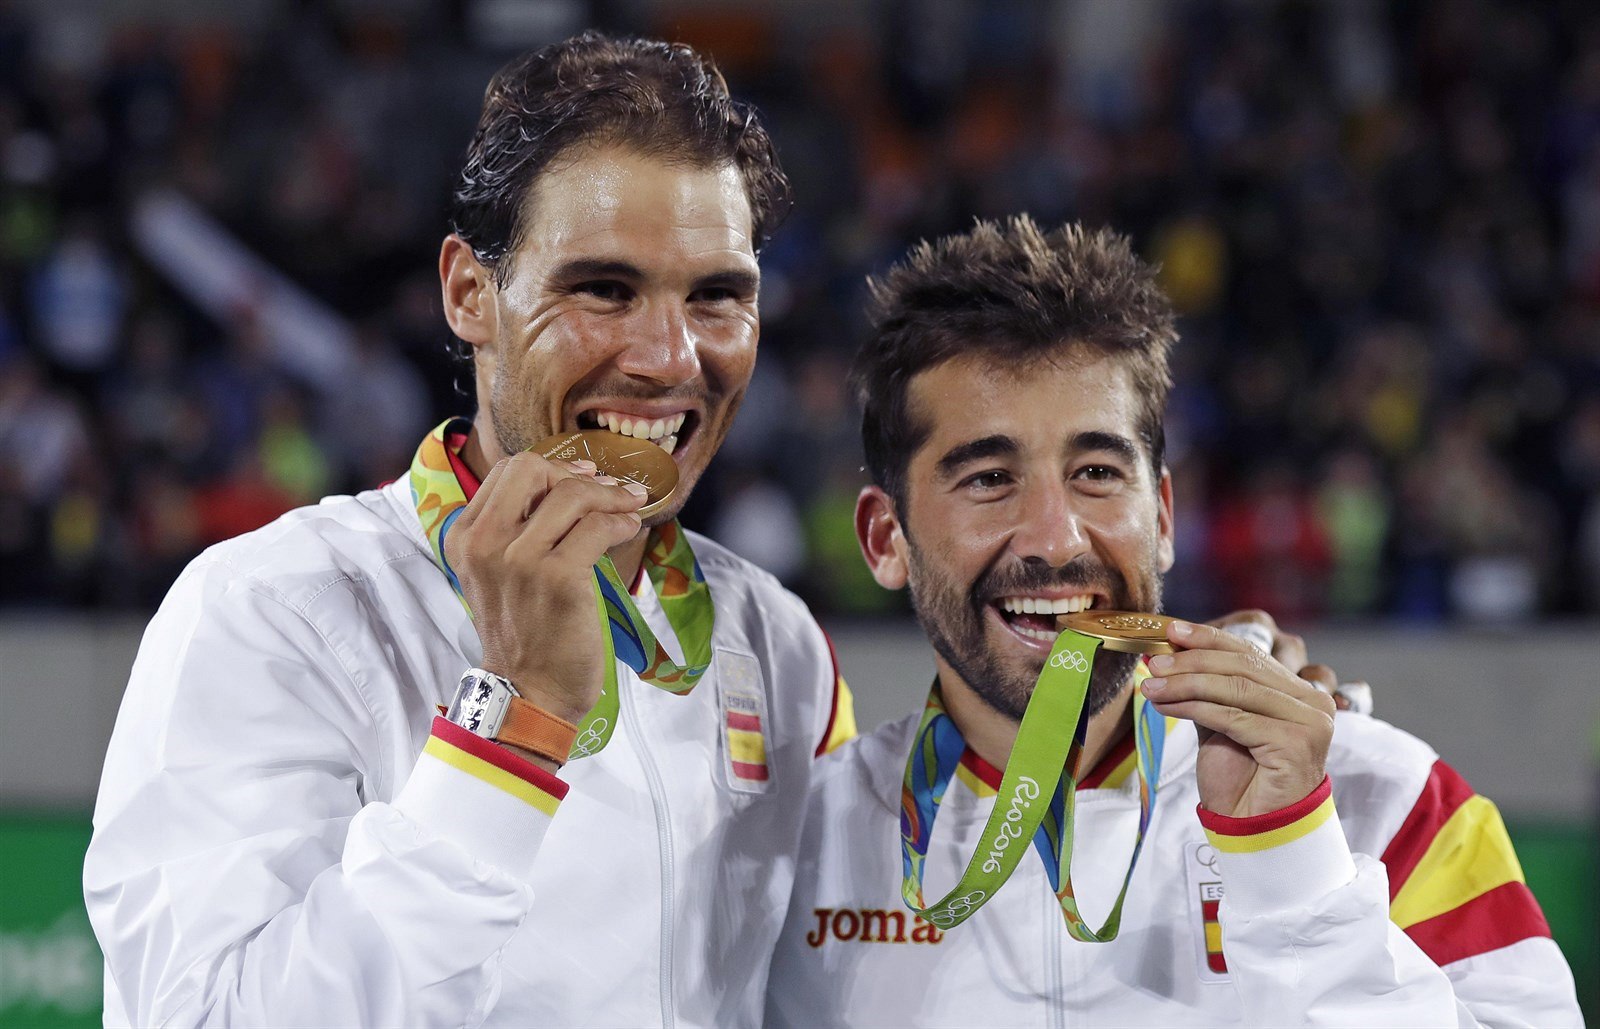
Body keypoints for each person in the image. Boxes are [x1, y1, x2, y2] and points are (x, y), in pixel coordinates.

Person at [83, 33, 857, 1027]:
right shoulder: (268, 612)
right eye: (604, 289)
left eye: (716, 297)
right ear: (467, 294)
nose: (670, 358)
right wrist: (515, 721)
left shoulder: (777, 645)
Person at [764, 216, 1581, 1026]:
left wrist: (1289, 859)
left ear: (1161, 517)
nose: (1056, 538)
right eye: (987, 479)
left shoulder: (1388, 800)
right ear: (886, 538)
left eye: (1095, 471)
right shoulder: (793, 851)